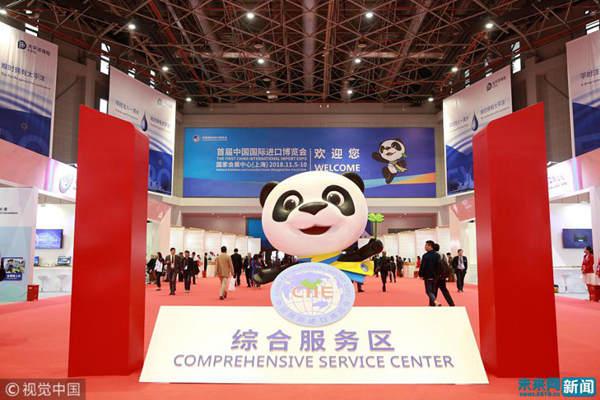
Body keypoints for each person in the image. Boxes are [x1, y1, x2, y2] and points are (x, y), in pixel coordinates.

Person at [418, 240, 440, 306]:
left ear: (430, 246)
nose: (425, 247)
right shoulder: (437, 255)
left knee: (428, 291)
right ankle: (431, 305)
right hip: (435, 276)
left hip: (428, 276)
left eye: (426, 245)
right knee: (433, 291)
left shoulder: (425, 255)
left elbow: (423, 266)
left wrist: (420, 274)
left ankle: (435, 302)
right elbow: (439, 266)